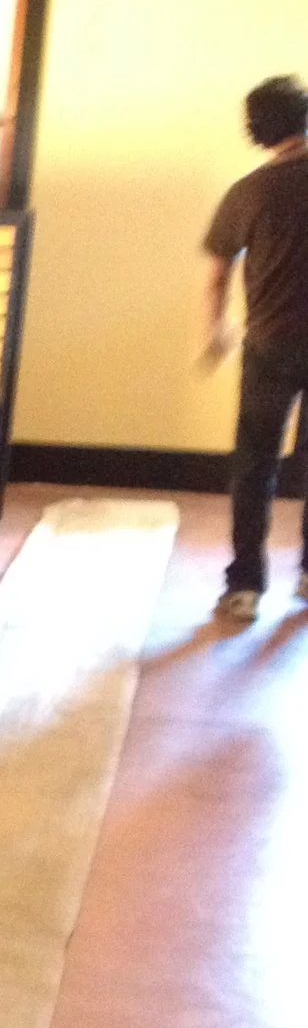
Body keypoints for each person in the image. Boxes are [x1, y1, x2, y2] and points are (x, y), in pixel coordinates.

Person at [204, 75, 308, 624]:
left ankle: (245, 585)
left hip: (270, 343)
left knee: (255, 465)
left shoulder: (249, 191)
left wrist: (216, 328)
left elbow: (219, 270)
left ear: (258, 128)